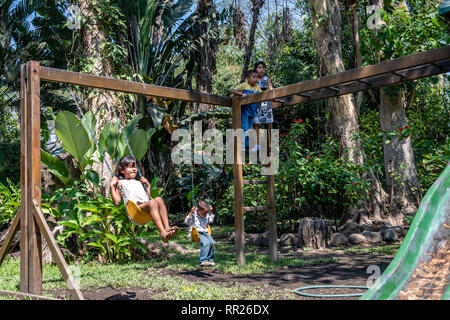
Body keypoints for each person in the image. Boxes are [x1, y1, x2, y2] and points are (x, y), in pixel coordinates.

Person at [110, 155, 178, 243]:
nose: (134, 169)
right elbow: (117, 202)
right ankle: (162, 233)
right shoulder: (120, 183)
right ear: (122, 170)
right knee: (152, 203)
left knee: (159, 199)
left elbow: (146, 197)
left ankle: (167, 228)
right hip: (135, 212)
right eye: (130, 167)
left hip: (145, 208)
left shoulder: (138, 182)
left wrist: (148, 185)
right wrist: (112, 186)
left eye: (134, 167)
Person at [232, 70, 262, 151]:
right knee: (244, 127)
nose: (256, 79)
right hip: (244, 110)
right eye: (254, 77)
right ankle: (241, 145)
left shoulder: (257, 87)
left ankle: (246, 146)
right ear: (248, 78)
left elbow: (262, 95)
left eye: (257, 77)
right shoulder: (244, 85)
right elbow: (234, 90)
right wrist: (242, 94)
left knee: (249, 128)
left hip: (252, 110)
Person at [184, 201, 216, 267]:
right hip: (196, 233)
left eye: (206, 212)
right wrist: (191, 213)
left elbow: (210, 221)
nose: (205, 214)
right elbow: (187, 222)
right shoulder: (194, 214)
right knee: (206, 243)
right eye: (204, 212)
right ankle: (203, 260)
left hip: (205, 232)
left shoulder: (206, 214)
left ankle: (210, 260)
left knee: (212, 243)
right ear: (198, 210)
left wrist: (211, 212)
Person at [252, 60, 274, 152]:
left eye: (263, 68)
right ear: (256, 69)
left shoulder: (266, 79)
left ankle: (269, 145)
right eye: (259, 68)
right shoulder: (253, 79)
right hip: (256, 104)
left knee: (267, 123)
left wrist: (273, 96)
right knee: (255, 124)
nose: (261, 69)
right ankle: (257, 145)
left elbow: (271, 89)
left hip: (265, 104)